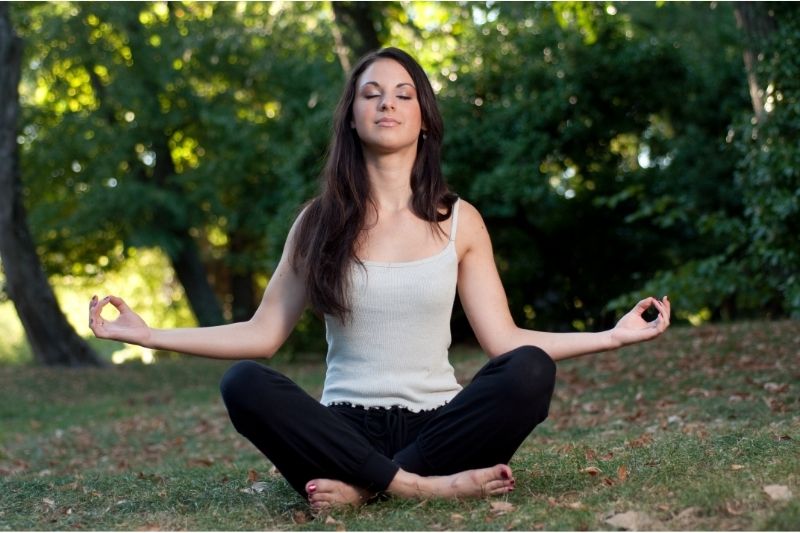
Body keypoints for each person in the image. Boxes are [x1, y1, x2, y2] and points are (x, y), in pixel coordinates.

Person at [89, 47, 670, 509]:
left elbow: (505, 342)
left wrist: (612, 336)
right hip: (341, 431)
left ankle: (369, 487)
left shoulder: (460, 222)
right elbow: (263, 333)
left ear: (423, 119)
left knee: (529, 371)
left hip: (445, 429)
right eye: (371, 94)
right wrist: (148, 335)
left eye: (402, 94)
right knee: (244, 383)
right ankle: (420, 487)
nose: (386, 104)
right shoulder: (317, 223)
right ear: (351, 118)